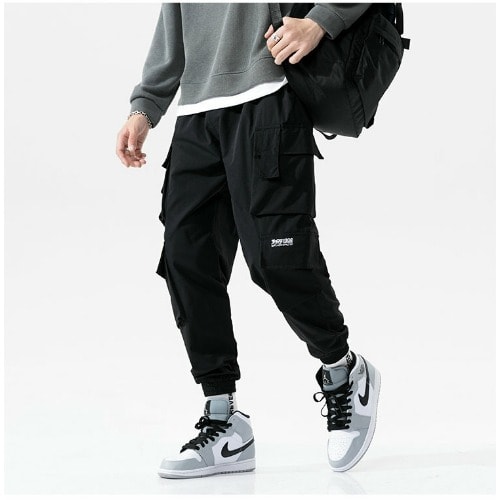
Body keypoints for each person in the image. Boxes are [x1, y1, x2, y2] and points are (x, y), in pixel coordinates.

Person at [116, 2, 380, 479]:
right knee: (186, 261)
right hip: (197, 113)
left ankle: (344, 372)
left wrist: (320, 22)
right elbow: (174, 21)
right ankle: (224, 422)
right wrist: (145, 106)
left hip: (269, 97)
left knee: (278, 259)